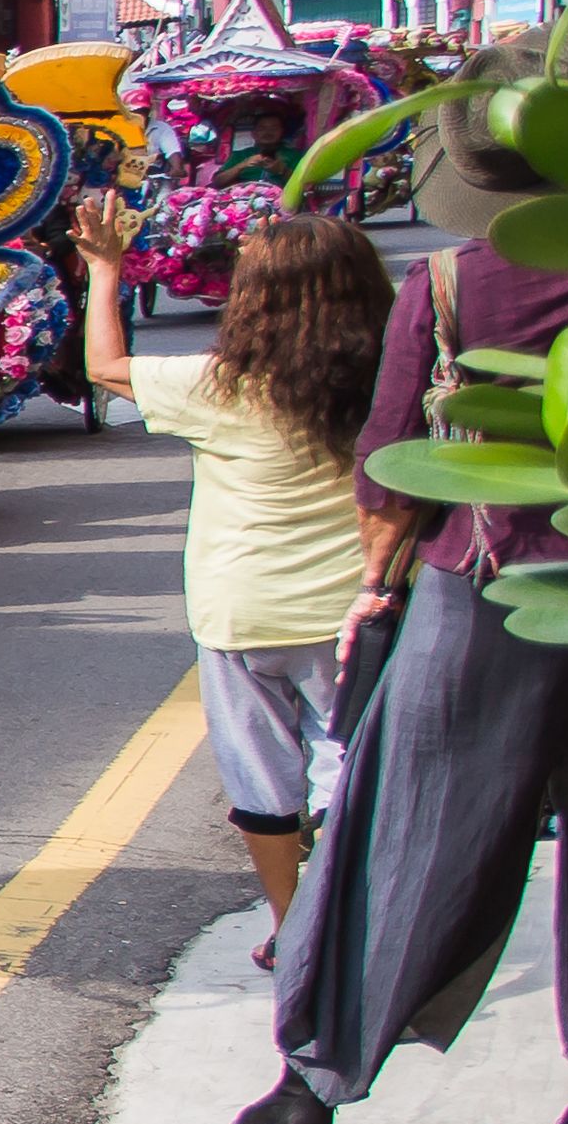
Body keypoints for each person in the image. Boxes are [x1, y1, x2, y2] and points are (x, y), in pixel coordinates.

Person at [236, 42, 568, 1124]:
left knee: (409, 830)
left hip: (491, 584)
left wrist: (374, 587)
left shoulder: (455, 282)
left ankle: (310, 1089)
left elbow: (392, 467)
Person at [74, 192, 385, 964]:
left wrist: (105, 271)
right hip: (353, 611)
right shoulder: (388, 384)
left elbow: (105, 367)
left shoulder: (222, 386)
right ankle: (358, 925)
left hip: (240, 613)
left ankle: (291, 927)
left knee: (260, 778)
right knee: (353, 770)